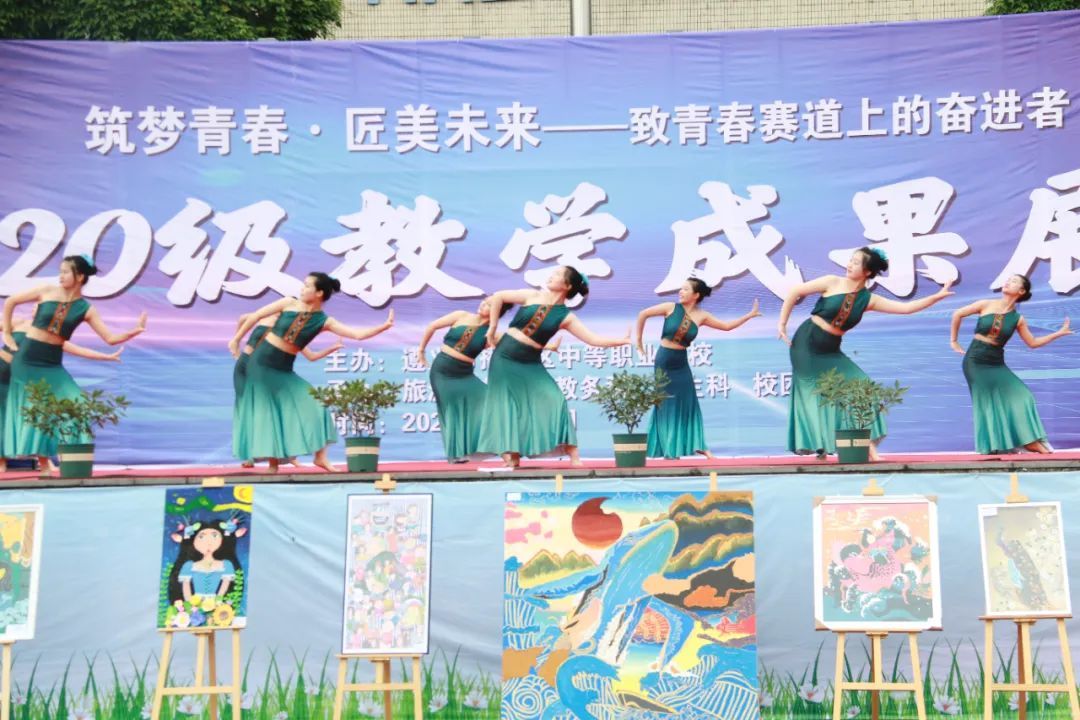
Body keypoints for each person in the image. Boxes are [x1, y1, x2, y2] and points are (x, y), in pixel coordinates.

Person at [778, 247, 953, 460]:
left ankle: (866, 448)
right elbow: (795, 291)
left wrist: (937, 297)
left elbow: (906, 309)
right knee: (813, 394)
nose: (849, 265)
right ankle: (822, 446)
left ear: (867, 272)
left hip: (831, 349)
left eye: (855, 262)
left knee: (863, 388)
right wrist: (782, 324)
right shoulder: (832, 282)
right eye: (850, 260)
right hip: (806, 344)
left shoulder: (868, 299)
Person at [229, 273, 393, 472]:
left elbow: (357, 335)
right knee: (270, 412)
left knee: (318, 405)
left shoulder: (324, 321)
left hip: (283, 369)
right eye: (303, 285)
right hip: (260, 364)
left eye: (307, 286)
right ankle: (273, 465)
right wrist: (236, 340)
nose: (302, 288)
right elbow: (255, 316)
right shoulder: (288, 303)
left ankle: (320, 457)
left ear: (319, 293)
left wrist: (383, 327)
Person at [2, 255, 147, 472]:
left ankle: (72, 462)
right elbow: (11, 301)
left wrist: (133, 332)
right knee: (40, 408)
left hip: (52, 363)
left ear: (79, 276)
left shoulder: (86, 309)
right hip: (27, 359)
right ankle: (44, 464)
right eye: (60, 271)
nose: (60, 276)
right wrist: (7, 334)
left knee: (77, 406)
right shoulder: (47, 291)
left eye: (65, 272)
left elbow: (109, 338)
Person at [476, 266, 629, 468]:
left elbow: (593, 339)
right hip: (504, 358)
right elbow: (498, 297)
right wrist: (493, 327)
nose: (551, 276)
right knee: (508, 405)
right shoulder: (532, 295)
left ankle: (573, 453)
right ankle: (513, 455)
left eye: (557, 274)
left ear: (567, 285)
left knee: (555, 399)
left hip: (531, 363)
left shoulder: (566, 316)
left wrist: (622, 341)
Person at [636, 279, 761, 459]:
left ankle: (699, 445)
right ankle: (670, 448)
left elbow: (726, 327)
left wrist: (749, 315)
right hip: (664, 360)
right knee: (666, 403)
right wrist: (639, 342)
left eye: (685, 289)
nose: (681, 291)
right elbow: (643, 314)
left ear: (696, 295)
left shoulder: (702, 316)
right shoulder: (671, 307)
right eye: (681, 288)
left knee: (688, 402)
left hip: (681, 362)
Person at [950, 274, 1071, 454]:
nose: (1008, 282)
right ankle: (997, 445)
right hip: (975, 361)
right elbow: (957, 313)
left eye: (1013, 281)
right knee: (987, 402)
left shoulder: (1018, 319)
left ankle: (1027, 440)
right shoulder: (985, 304)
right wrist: (954, 341)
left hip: (996, 363)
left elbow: (1032, 343)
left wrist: (1057, 333)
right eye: (1008, 280)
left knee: (1023, 395)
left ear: (1021, 291)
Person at [0, 317, 124, 473]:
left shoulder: (51, 336)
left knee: (36, 418)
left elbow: (77, 349)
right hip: (2, 372)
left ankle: (44, 461)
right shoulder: (18, 323)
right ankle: (1, 461)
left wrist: (107, 357)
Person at [233, 314, 343, 469]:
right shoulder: (264, 317)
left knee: (307, 406)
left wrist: (332, 348)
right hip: (247, 369)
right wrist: (236, 345)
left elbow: (311, 356)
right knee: (256, 412)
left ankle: (313, 457)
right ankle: (259, 459)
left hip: (272, 373)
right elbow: (243, 319)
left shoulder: (291, 331)